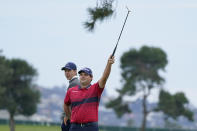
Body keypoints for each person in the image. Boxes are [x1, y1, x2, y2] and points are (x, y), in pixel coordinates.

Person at [64, 55, 115, 131]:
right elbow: (66, 104)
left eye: (86, 75)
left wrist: (109, 64)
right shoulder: (71, 91)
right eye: (81, 75)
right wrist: (70, 117)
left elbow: (104, 77)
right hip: (75, 127)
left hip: (90, 127)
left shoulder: (95, 89)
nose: (83, 76)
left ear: (91, 77)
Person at [61, 62, 80, 131]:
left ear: (75, 71)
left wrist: (67, 116)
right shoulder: (75, 82)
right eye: (65, 71)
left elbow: (72, 102)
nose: (66, 73)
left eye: (69, 70)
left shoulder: (74, 83)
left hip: (72, 117)